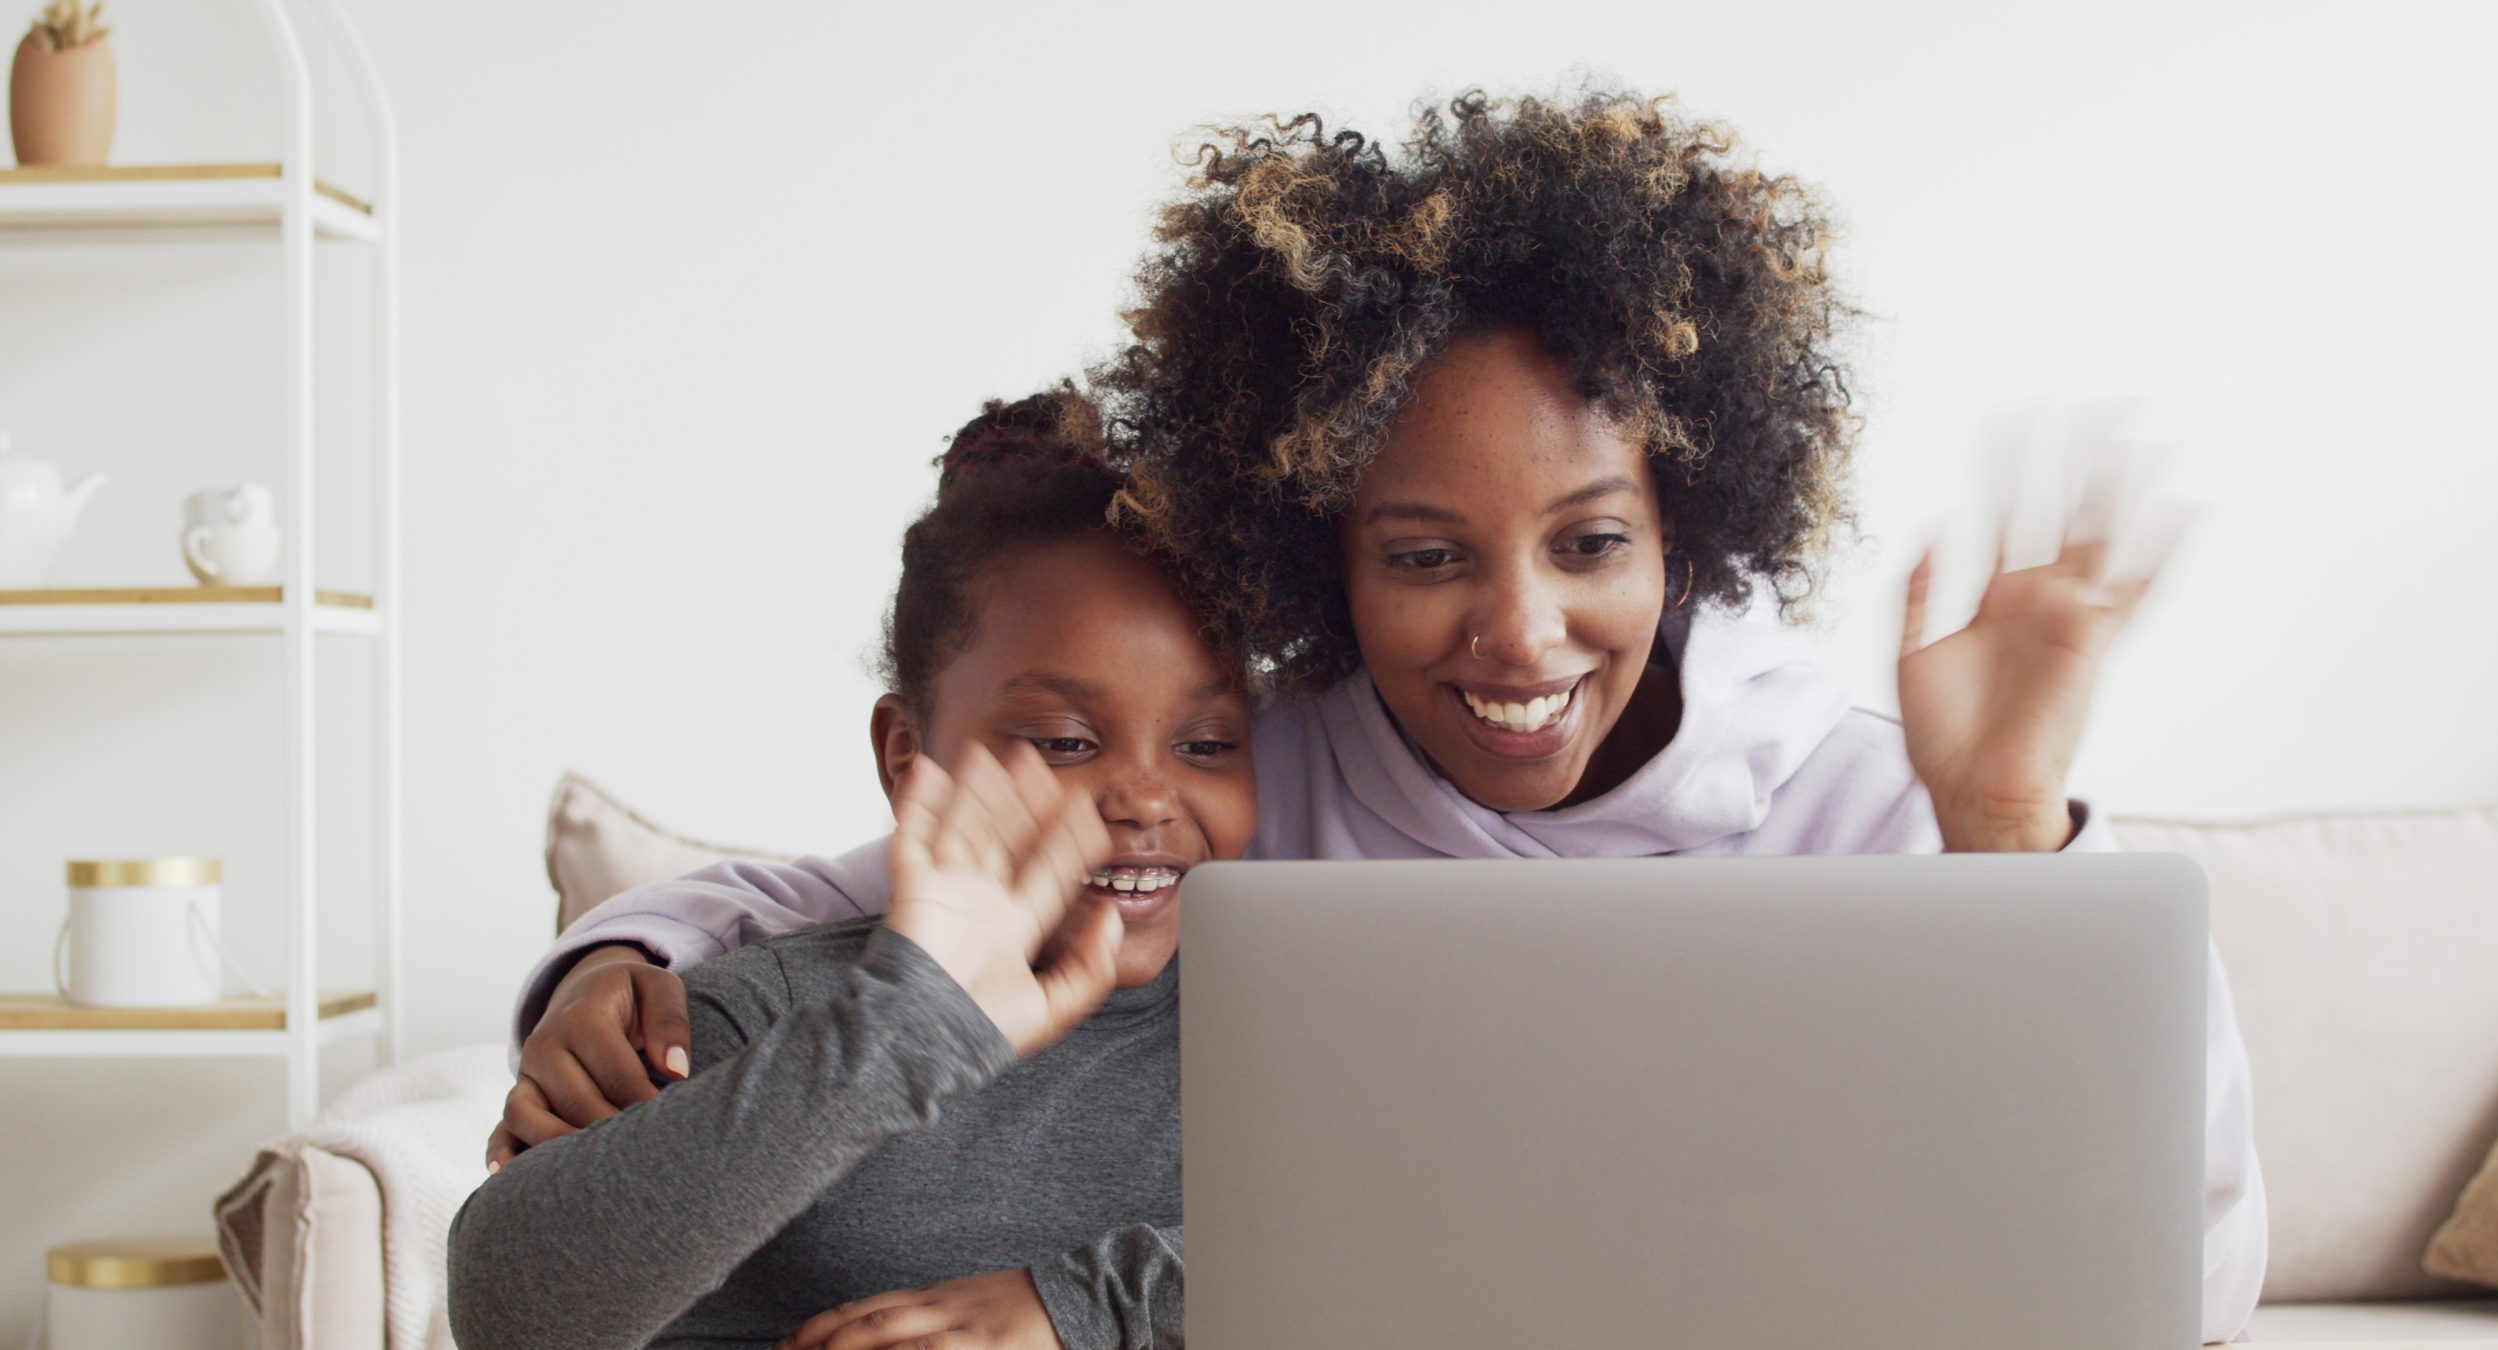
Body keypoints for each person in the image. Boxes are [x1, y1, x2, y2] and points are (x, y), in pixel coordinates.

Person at [498, 90, 2267, 1344]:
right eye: (1424, 553)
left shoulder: (1875, 803)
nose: (1517, 632)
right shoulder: (1270, 762)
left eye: (1592, 544)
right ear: (1323, 561)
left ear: (1690, 537)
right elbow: (889, 888)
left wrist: (2013, 829)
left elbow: (2154, 1283)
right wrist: (610, 963)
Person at [448, 391, 1253, 1349]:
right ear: (909, 760)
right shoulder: (766, 1020)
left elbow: (1448, 1253)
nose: (1147, 798)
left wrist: (1090, 1306)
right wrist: (903, 1037)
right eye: (1066, 741)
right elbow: (506, 1314)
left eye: (1208, 744)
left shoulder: (1290, 1032)